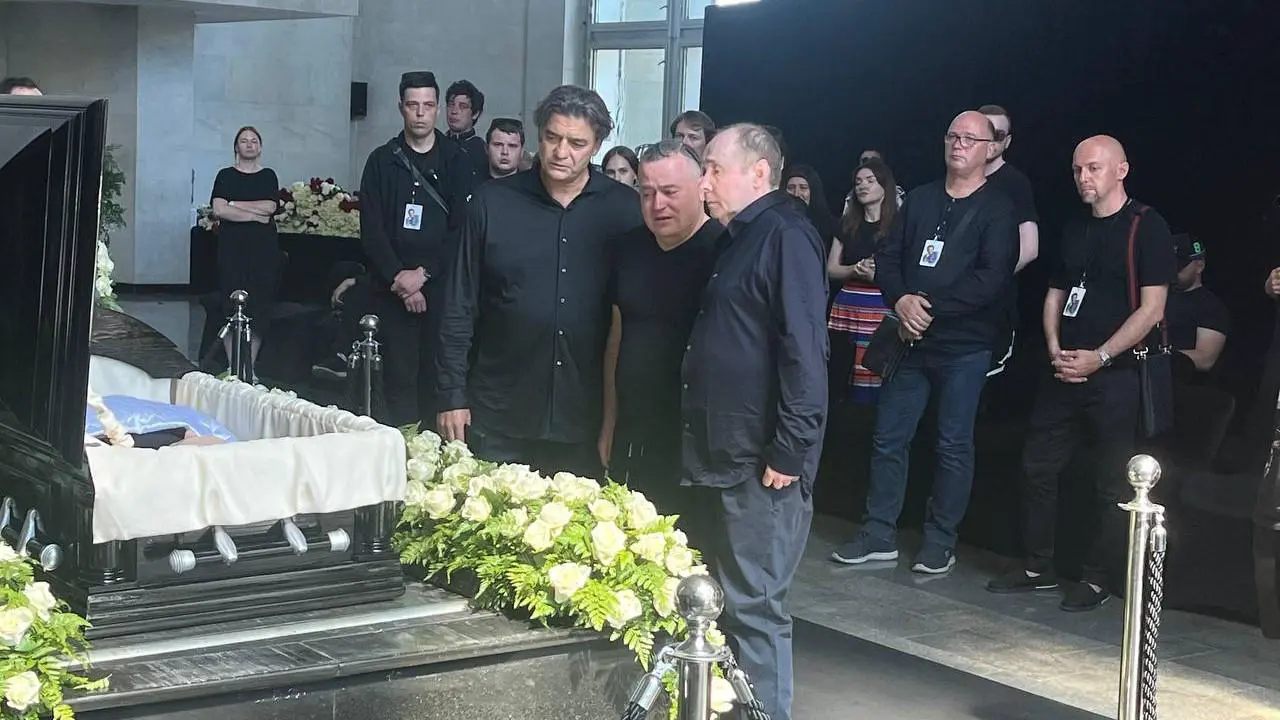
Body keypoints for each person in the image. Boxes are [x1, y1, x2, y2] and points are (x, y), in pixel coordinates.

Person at [987, 135, 1176, 612]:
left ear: (1121, 170)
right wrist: (1054, 348)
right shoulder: (1074, 225)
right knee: (1037, 466)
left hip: (1117, 375)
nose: (1083, 177)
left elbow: (1152, 309)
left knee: (1111, 482)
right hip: (1065, 369)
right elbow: (1056, 291)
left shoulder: (1146, 226)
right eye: (1076, 169)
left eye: (1093, 168)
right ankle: (1038, 566)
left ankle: (1096, 578)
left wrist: (1102, 356)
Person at [682, 124, 828, 720]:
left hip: (762, 463)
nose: (704, 182)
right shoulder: (740, 238)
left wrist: (789, 449)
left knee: (755, 608)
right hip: (724, 454)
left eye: (715, 169)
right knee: (728, 605)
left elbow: (805, 350)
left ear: (759, 173)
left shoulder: (786, 234)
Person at [830, 111, 1019, 573]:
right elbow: (889, 257)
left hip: (964, 346)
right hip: (908, 340)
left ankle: (940, 540)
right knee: (888, 438)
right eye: (953, 136)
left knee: (952, 444)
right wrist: (902, 300)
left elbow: (991, 279)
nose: (958, 144)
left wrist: (926, 308)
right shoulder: (920, 199)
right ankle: (878, 533)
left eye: (970, 139)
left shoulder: (999, 209)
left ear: (991, 149)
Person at [435, 85, 643, 477]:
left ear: (597, 146)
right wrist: (451, 394)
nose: (561, 152)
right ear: (539, 136)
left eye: (577, 143)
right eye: (552, 137)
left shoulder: (625, 210)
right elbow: (459, 303)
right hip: (499, 408)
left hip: (586, 415)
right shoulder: (492, 202)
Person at [599, 140, 720, 512]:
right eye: (647, 193)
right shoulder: (628, 247)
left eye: (670, 192)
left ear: (701, 188)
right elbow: (616, 338)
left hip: (700, 442)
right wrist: (609, 421)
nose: (657, 205)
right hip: (635, 430)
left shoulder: (725, 250)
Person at [358, 71, 470, 427]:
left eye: (428, 105)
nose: (420, 113)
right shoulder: (381, 161)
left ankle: (435, 453)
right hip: (391, 291)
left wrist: (423, 275)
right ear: (401, 108)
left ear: (438, 109)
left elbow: (462, 230)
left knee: (437, 380)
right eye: (412, 105)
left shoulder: (457, 160)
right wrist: (400, 279)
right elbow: (371, 230)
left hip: (440, 290)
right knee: (396, 381)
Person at [826, 159, 900, 405]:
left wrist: (879, 273)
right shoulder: (846, 224)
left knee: (875, 370)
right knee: (842, 371)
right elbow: (831, 269)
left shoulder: (898, 224)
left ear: (884, 186)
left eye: (870, 180)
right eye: (858, 182)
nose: (862, 186)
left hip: (881, 307)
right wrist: (854, 269)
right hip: (847, 307)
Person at [209, 126, 280, 380]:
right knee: (230, 303)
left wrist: (235, 205)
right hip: (232, 248)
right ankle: (233, 367)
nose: (249, 144)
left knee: (259, 305)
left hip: (262, 250)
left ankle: (249, 367)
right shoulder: (225, 175)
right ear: (236, 147)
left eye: (254, 141)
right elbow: (219, 210)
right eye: (243, 140)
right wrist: (253, 215)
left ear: (260, 147)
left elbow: (269, 207)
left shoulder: (268, 175)